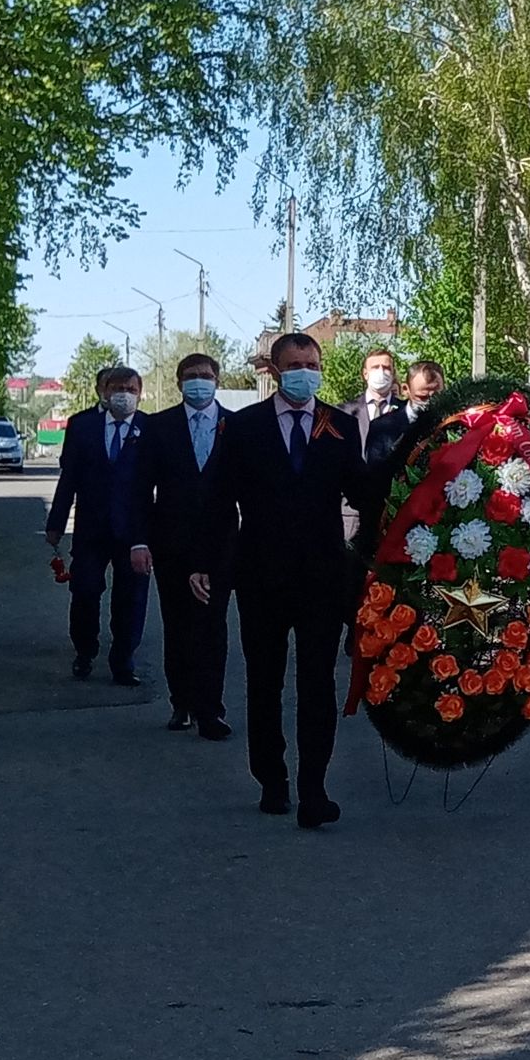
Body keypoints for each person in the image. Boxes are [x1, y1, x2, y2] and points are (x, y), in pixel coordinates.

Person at [191, 333, 369, 830]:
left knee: (317, 684)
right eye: (294, 364)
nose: (305, 372)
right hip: (261, 576)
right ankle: (272, 778)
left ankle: (315, 788)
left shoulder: (338, 424)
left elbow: (362, 490)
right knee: (264, 682)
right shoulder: (244, 426)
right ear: (274, 369)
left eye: (312, 364)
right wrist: (203, 560)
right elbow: (218, 500)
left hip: (321, 577)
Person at [129, 353, 234, 738]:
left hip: (221, 544)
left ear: (217, 380)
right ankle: (182, 702)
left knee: (212, 626)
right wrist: (139, 542)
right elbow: (141, 490)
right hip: (171, 543)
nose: (199, 382)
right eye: (191, 376)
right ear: (179, 382)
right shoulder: (159, 427)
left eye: (205, 376)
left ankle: (212, 709)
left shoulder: (234, 427)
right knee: (178, 626)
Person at [45, 365, 150, 685]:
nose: (124, 395)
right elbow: (70, 478)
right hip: (91, 529)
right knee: (85, 591)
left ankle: (124, 660)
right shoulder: (82, 426)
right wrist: (56, 522)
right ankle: (85, 650)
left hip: (134, 532)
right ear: (103, 391)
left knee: (130, 598)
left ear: (140, 393)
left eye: (131, 389)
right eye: (118, 388)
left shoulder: (151, 428)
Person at [363, 360, 446, 519]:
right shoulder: (382, 428)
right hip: (395, 517)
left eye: (437, 394)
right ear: (406, 389)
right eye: (422, 396)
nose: (430, 402)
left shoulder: (454, 424)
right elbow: (374, 481)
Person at [338, 348, 397, 541]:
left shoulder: (407, 412)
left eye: (386, 367)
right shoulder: (344, 413)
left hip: (395, 514)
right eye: (375, 367)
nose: (381, 372)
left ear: (394, 373)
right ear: (365, 373)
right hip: (353, 517)